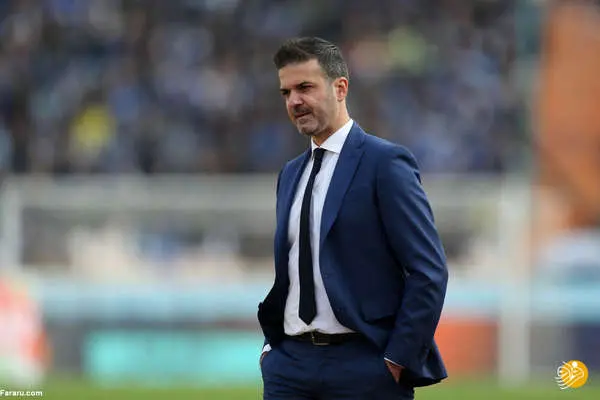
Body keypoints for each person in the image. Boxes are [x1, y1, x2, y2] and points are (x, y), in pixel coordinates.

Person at [257, 37, 448, 400]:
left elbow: (428, 271)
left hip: (364, 367)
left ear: (340, 88)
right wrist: (272, 350)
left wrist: (397, 358)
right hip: (290, 368)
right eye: (286, 92)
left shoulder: (385, 163)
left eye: (305, 87)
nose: (294, 101)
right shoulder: (291, 173)